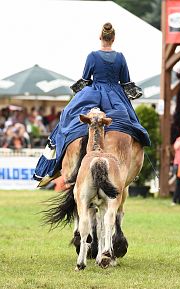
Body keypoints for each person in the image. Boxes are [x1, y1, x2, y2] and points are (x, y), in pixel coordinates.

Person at [33, 22, 150, 182]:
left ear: (100, 37)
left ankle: (54, 165)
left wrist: (77, 90)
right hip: (116, 97)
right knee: (133, 123)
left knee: (66, 116)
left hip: (93, 93)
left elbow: (85, 79)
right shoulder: (121, 57)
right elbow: (126, 83)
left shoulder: (92, 56)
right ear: (113, 38)